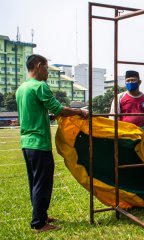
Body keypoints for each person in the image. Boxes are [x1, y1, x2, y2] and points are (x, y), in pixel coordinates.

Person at [16, 54, 89, 233]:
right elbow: (58, 109)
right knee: (43, 182)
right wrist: (80, 111)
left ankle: (40, 215)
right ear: (39, 66)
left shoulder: (22, 88)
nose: (47, 72)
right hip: (39, 142)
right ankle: (39, 224)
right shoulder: (40, 86)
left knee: (34, 181)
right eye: (47, 68)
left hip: (26, 143)